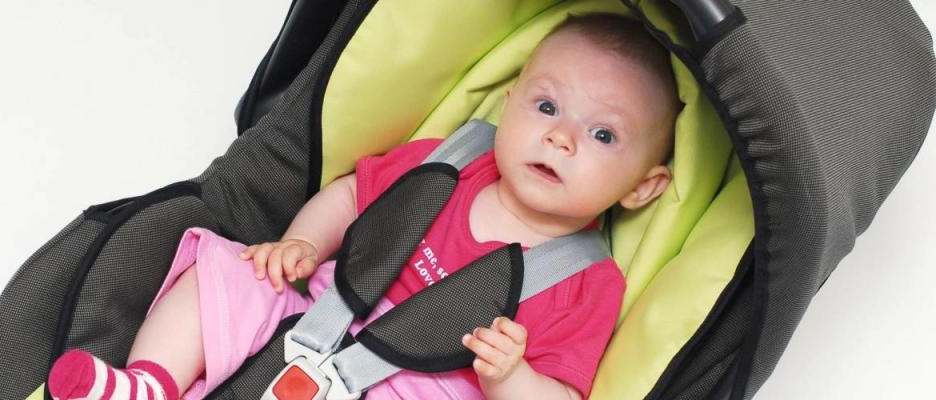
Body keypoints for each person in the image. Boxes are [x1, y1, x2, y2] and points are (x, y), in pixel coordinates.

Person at [46, 12, 679, 400]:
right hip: (312, 308)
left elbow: (563, 396)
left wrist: (512, 379)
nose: (561, 137)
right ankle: (149, 384)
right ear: (509, 103)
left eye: (603, 135)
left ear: (642, 187)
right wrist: (300, 244)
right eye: (546, 106)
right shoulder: (449, 162)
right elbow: (352, 195)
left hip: (425, 384)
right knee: (227, 270)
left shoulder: (585, 281)